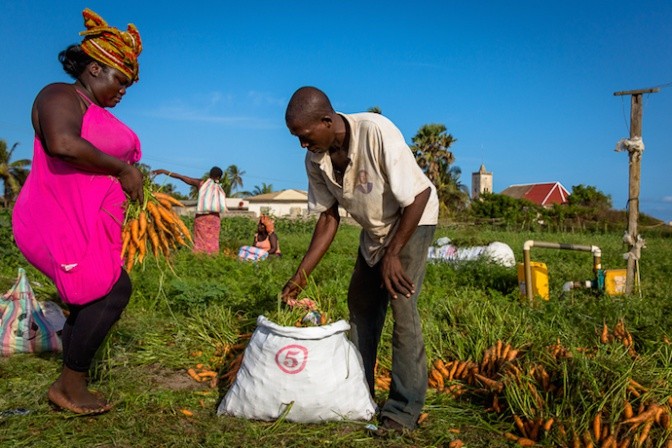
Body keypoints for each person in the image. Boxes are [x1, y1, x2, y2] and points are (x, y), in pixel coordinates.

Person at [281, 86, 439, 434]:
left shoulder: (375, 131)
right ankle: (359, 394)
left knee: (402, 306)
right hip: (375, 231)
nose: (302, 146)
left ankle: (401, 411)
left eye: (305, 137)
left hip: (413, 220)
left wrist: (393, 254)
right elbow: (327, 218)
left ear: (327, 120)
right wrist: (299, 277)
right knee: (361, 307)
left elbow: (419, 194)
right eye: (297, 138)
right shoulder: (316, 159)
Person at [12, 9, 143, 414]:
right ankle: (69, 384)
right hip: (55, 217)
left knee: (94, 296)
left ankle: (72, 380)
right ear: (94, 67)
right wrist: (122, 168)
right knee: (112, 290)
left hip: (84, 220)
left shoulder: (95, 109)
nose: (123, 91)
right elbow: (62, 144)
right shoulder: (59, 95)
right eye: (119, 80)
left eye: (129, 84)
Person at [152, 167, 227, 254]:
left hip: (202, 218)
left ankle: (198, 258)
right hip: (214, 219)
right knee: (213, 241)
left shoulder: (201, 183)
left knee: (199, 241)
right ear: (219, 177)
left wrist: (164, 171)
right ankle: (213, 258)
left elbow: (182, 177)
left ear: (209, 174)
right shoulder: (219, 188)